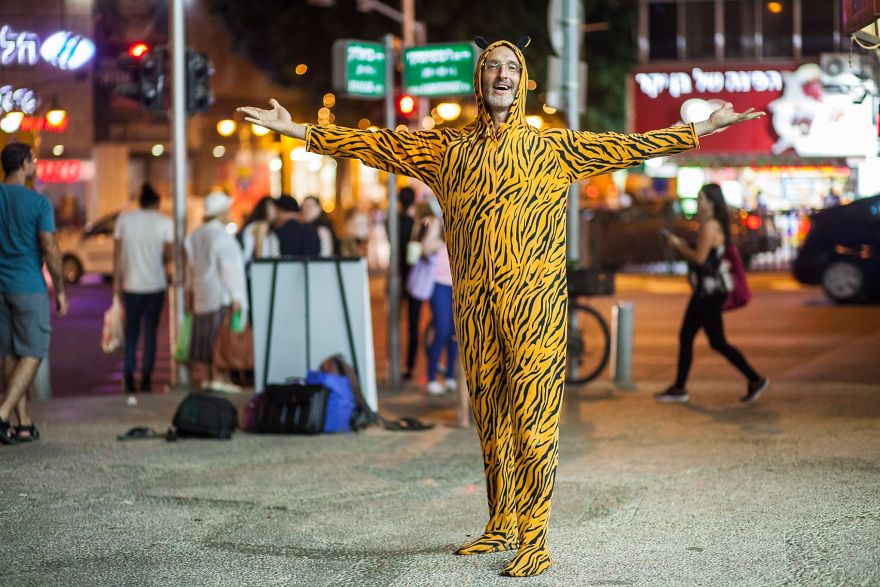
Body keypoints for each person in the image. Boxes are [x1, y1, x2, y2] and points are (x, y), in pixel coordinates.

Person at [239, 37, 764, 577]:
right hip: (474, 306)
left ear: (523, 77)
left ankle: (535, 536)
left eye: (513, 67)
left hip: (534, 307)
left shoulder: (548, 150)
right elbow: (379, 147)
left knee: (534, 422)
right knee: (490, 416)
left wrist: (697, 130)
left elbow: (627, 146)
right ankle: (502, 523)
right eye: (493, 66)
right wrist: (300, 131)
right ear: (479, 78)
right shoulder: (447, 150)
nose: (503, 75)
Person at [658, 184, 769, 404]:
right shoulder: (714, 225)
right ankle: (679, 387)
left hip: (709, 292)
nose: (699, 203)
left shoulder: (710, 226)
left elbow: (699, 258)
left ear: (712, 202)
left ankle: (755, 378)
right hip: (705, 291)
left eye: (702, 199)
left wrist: (678, 245)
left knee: (716, 342)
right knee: (687, 336)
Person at [0, 143, 68, 444]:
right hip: (28, 286)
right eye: (34, 161)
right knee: (34, 352)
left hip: (1, 288)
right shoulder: (38, 203)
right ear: (25, 164)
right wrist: (61, 289)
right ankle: (1, 415)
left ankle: (23, 423)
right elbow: (50, 248)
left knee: (10, 353)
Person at [113, 183, 173, 402]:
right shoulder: (164, 222)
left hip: (130, 285)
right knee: (150, 334)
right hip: (155, 285)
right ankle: (146, 378)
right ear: (156, 203)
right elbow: (168, 255)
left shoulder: (124, 220)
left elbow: (116, 254)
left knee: (131, 333)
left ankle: (128, 377)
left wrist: (115, 286)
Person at [184, 191, 249, 391]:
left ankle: (206, 378)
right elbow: (231, 269)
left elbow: (191, 267)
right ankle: (220, 378)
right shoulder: (222, 236)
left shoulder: (195, 235)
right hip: (221, 295)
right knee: (221, 339)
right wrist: (237, 296)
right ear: (221, 212)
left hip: (201, 295)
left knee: (204, 339)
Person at [420, 205, 458, 396]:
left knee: (455, 335)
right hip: (439, 285)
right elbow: (425, 249)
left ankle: (450, 376)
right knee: (441, 331)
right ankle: (432, 378)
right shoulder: (436, 222)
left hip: (460, 287)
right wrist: (442, 234)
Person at [395, 187, 419, 380]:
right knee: (413, 323)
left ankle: (395, 364)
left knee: (395, 321)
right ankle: (409, 367)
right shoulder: (418, 223)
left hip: (399, 275)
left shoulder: (395, 221)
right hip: (415, 276)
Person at [240, 195, 280, 267]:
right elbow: (259, 253)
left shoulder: (266, 227)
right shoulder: (261, 225)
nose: (276, 210)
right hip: (258, 270)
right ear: (264, 209)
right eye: (272, 207)